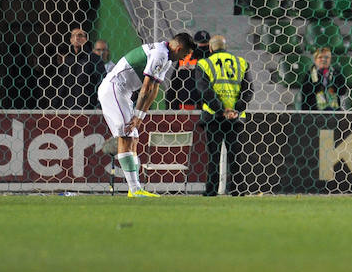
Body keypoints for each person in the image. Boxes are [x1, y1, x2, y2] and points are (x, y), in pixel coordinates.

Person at [97, 33, 194, 197]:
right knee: (127, 136)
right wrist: (136, 116)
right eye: (184, 54)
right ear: (178, 48)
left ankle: (135, 189)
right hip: (114, 88)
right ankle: (135, 190)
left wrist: (140, 117)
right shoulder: (160, 54)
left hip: (124, 93)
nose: (183, 58)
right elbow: (146, 88)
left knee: (133, 138)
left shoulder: (167, 57)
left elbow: (154, 89)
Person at [195, 35, 252, 196]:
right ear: (225, 47)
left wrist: (220, 110)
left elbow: (204, 90)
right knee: (235, 155)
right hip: (235, 117)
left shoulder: (204, 64)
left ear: (210, 48)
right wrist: (235, 110)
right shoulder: (241, 63)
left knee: (214, 155)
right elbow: (248, 90)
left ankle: (211, 191)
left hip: (213, 116)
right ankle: (238, 190)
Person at [58, 27, 107, 110]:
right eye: (73, 36)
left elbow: (101, 81)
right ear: (70, 40)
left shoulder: (94, 58)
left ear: (86, 39)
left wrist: (98, 105)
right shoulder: (68, 60)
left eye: (80, 35)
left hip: (87, 107)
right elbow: (63, 84)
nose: (76, 38)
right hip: (67, 107)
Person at [166, 30, 211, 111]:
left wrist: (169, 103)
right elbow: (174, 82)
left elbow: (174, 83)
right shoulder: (186, 58)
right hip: (190, 105)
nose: (202, 47)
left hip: (189, 105)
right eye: (201, 44)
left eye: (204, 44)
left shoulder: (186, 58)